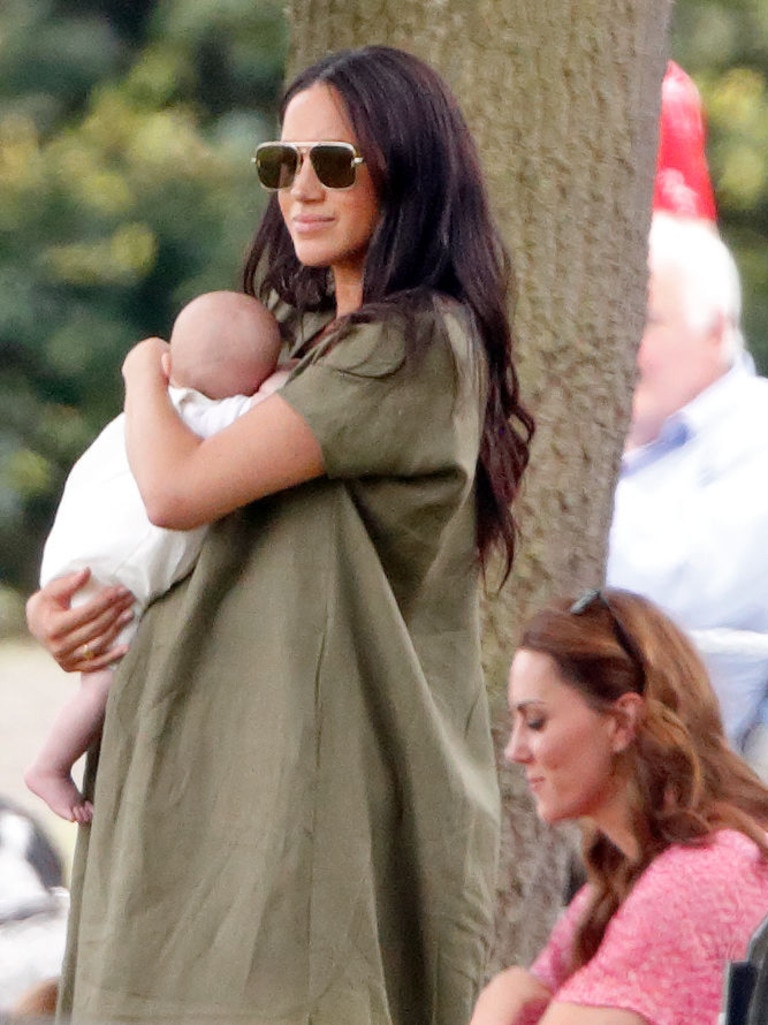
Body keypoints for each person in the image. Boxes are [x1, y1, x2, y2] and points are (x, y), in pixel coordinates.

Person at [25, 46, 534, 1024]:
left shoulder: (410, 349)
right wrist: (73, 605)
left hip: (310, 809)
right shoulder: (290, 343)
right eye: (282, 163)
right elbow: (171, 536)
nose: (301, 188)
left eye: (334, 162)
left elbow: (175, 489)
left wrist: (142, 365)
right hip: (192, 781)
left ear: (408, 171)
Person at [26, 289, 285, 824]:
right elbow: (271, 409)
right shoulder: (216, 418)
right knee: (105, 680)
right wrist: (284, 379)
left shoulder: (142, 414)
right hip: (117, 572)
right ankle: (50, 766)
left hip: (70, 559)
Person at [471, 588, 768, 1025]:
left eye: (535, 721)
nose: (515, 751)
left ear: (622, 722)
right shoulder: (618, 884)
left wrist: (499, 1002)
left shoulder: (697, 878)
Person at [606, 212, 768, 761]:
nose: (620, 342)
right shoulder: (619, 447)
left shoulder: (757, 436)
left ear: (715, 329)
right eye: (613, 316)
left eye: (645, 318)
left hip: (707, 789)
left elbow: (672, 595)